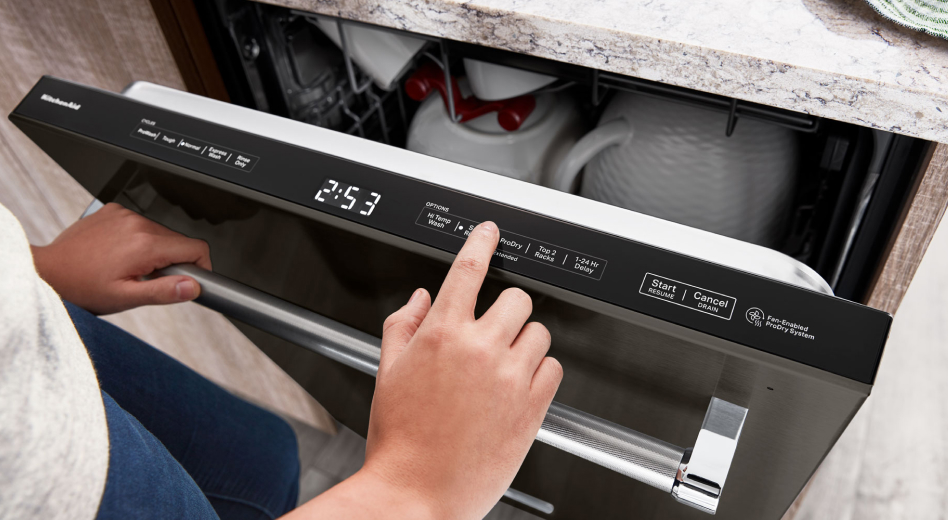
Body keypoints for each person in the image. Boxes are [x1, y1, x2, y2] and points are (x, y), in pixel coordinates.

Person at [0, 201, 562, 520]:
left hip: (29, 335)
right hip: (51, 497)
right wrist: (412, 488)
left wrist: (32, 267)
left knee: (264, 461)